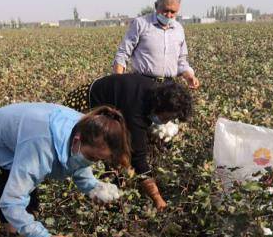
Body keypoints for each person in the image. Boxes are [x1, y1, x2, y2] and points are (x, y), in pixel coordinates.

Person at [0, 103, 131, 237]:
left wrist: (92, 187)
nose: (92, 162)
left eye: (98, 160)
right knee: (12, 218)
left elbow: (78, 162)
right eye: (92, 158)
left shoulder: (89, 128)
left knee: (32, 207)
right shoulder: (40, 146)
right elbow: (11, 202)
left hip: (21, 142)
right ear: (77, 140)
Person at [64, 74, 193, 210]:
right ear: (160, 107)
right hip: (87, 103)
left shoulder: (155, 92)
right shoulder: (135, 110)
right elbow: (138, 159)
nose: (166, 122)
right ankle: (87, 196)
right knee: (85, 151)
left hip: (110, 103)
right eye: (166, 117)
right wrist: (157, 198)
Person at [113, 0, 200, 89]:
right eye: (165, 10)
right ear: (156, 6)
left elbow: (181, 61)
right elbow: (123, 53)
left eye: (173, 12)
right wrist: (118, 81)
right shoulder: (141, 24)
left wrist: (189, 76)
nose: (168, 15)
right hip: (142, 84)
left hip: (168, 85)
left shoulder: (178, 29)